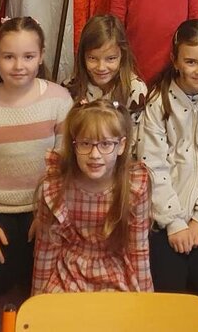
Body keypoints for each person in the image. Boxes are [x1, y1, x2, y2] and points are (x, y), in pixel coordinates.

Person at [0, 17, 72, 296]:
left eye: (28, 56)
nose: (18, 66)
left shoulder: (60, 100)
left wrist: (47, 211)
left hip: (42, 206)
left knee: (40, 278)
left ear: (41, 56)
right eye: (9, 57)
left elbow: (65, 166)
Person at [138, 20, 198, 300]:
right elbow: (151, 164)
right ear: (175, 61)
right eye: (191, 62)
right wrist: (173, 222)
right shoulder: (159, 101)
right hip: (166, 210)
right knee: (168, 287)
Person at [32, 99, 153, 293]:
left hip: (113, 268)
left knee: (117, 311)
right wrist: (38, 300)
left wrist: (147, 302)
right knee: (61, 310)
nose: (95, 154)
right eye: (85, 143)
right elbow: (46, 248)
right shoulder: (56, 185)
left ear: (121, 146)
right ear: (74, 145)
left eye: (106, 144)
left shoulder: (134, 186)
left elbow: (138, 249)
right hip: (68, 270)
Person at [64, 15, 148, 122]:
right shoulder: (70, 87)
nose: (101, 67)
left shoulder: (135, 90)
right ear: (82, 56)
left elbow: (135, 131)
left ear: (122, 55)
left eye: (111, 59)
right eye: (92, 58)